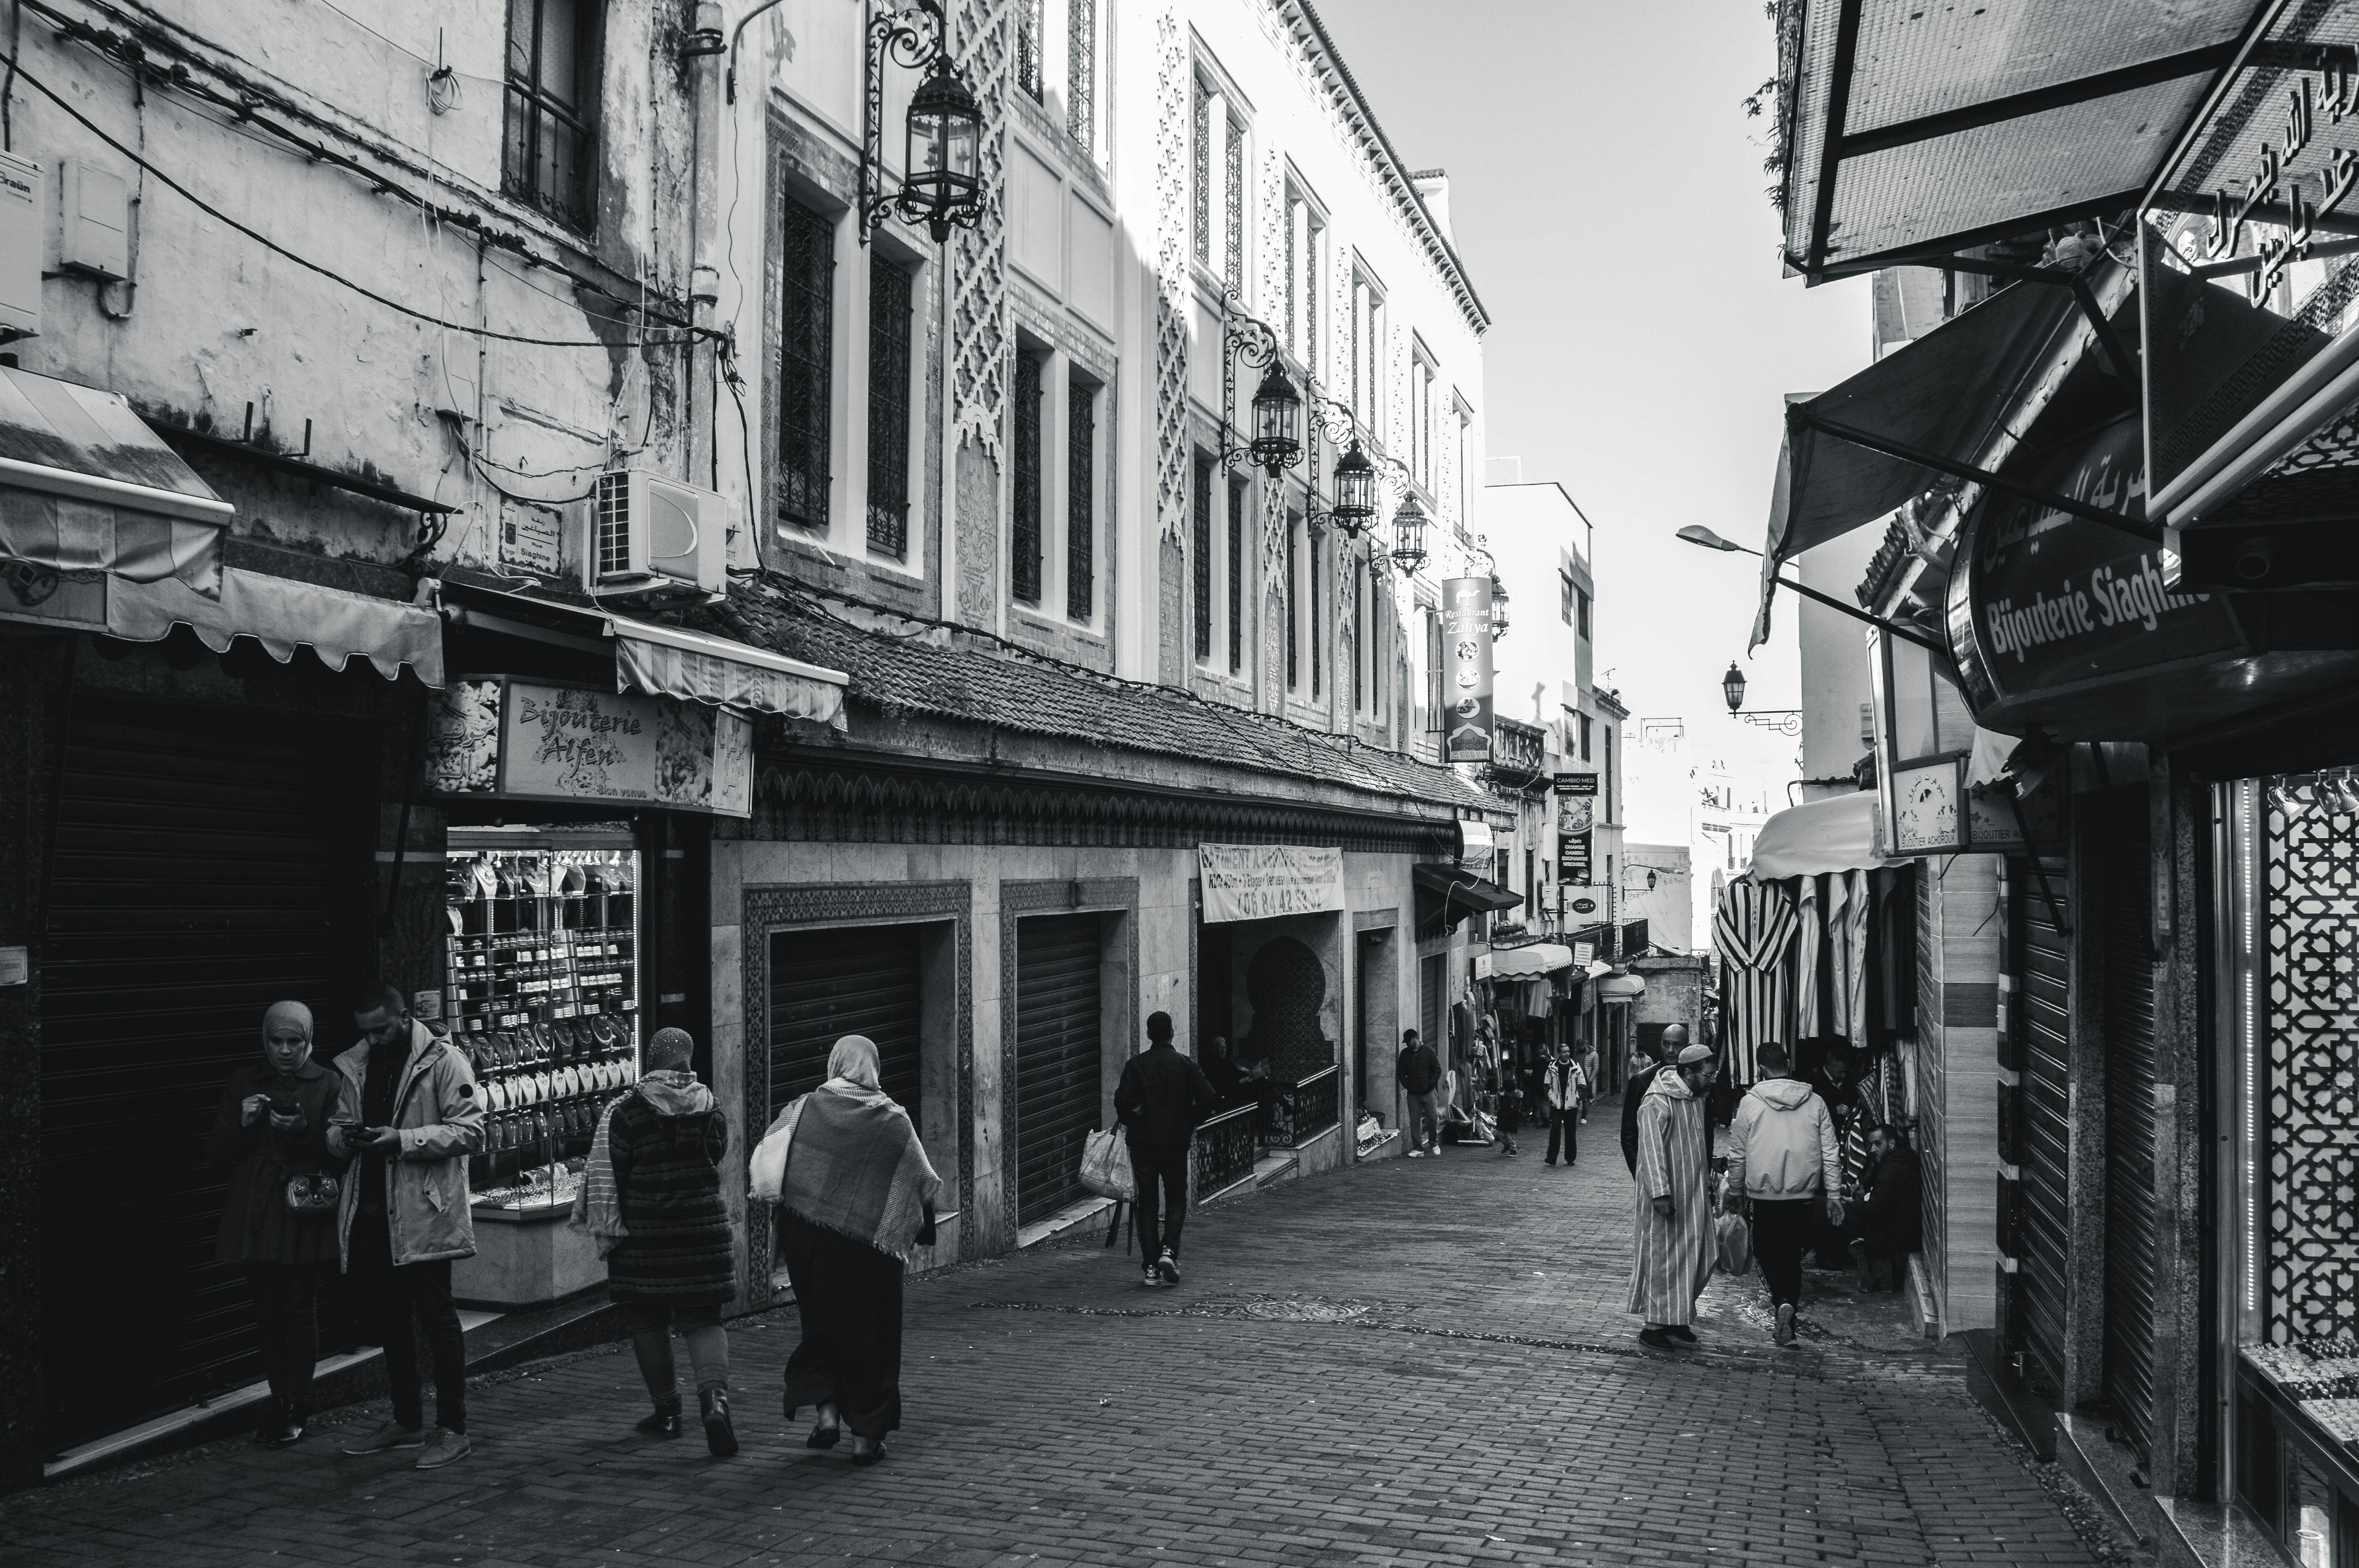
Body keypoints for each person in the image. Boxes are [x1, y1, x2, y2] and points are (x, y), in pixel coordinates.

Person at [750, 1036, 940, 1467]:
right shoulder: (893, 1119)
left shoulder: (802, 1109)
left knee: (821, 1327)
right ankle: (864, 1439)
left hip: (810, 1243)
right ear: (874, 1067)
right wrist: (916, 1230)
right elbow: (920, 1178)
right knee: (872, 1337)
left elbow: (767, 1164)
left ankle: (828, 1413)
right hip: (870, 1250)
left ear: (835, 1064)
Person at [330, 982, 483, 1470]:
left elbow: (471, 1130)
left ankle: (453, 1428)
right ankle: (407, 1419)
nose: (373, 1039)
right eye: (366, 1032)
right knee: (391, 1320)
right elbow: (338, 1126)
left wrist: (404, 1139)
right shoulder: (353, 1062)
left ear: (402, 1018)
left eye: (381, 1029)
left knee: (438, 1320)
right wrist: (342, 1138)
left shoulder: (443, 1061)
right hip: (373, 1209)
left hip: (425, 1212)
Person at [577, 1027, 738, 1454]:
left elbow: (615, 1170)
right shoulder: (711, 1107)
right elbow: (718, 1154)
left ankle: (667, 1413)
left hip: (646, 1236)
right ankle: (715, 1402)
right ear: (688, 1058)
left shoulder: (628, 1111)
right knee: (704, 1319)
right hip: (704, 1232)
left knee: (648, 1320)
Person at [205, 1000, 348, 1448]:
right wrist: (246, 1124)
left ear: (310, 1041)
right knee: (267, 1311)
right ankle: (278, 1398)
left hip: (305, 1207)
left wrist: (306, 1129)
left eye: (295, 1042)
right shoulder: (245, 1082)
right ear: (264, 1041)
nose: (285, 1051)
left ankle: (299, 1404)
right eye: (276, 1042)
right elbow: (216, 1155)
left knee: (298, 1306)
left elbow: (341, 1153)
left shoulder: (328, 1082)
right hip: (257, 1208)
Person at [1721, 1041, 1843, 1347]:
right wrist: (1836, 1195)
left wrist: (1734, 1190)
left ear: (1761, 1068)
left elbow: (1737, 1155)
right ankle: (1787, 1307)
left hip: (1764, 1197)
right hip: (1803, 1197)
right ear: (1788, 1065)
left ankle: (1783, 1304)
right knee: (1792, 1257)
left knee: (1766, 1252)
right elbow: (1831, 1152)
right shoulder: (1815, 1102)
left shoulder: (1750, 1104)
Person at [1113, 1011, 1221, 1285]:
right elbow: (1209, 1096)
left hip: (1143, 1145)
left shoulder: (1136, 1065)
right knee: (1176, 1199)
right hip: (1175, 1143)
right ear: (1172, 1033)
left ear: (1149, 1035)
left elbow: (1121, 1102)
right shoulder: (1186, 1065)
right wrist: (1191, 1121)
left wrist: (1133, 1118)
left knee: (1147, 1205)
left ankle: (1151, 1267)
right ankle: (1169, 1250)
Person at [1628, 1042, 1717, 1350]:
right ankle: (1653, 1327)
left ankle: (1677, 1318)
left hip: (1694, 1195)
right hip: (1666, 1198)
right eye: (1707, 1074)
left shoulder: (1695, 1097)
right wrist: (1660, 1194)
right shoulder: (1657, 1100)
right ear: (1689, 1072)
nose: (1712, 1080)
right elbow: (1650, 1151)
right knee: (1662, 1261)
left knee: (1699, 1254)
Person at [1849, 1123, 1923, 1292]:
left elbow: (1875, 1210)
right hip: (1892, 1228)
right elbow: (1884, 1200)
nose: (1873, 1149)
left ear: (1891, 1144)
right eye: (1871, 1145)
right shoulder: (1894, 1164)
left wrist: (1852, 1204)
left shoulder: (1894, 1167)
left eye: (1878, 1144)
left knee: (1823, 1209)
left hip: (1894, 1234)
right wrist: (1864, 1195)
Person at [1620, 1023, 1688, 1175]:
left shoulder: (1693, 1080)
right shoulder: (1642, 1081)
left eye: (1677, 1045)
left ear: (1686, 1047)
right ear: (1661, 1046)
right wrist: (1640, 1174)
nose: (1671, 1051)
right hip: (1652, 1169)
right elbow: (1628, 1134)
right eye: (1666, 1044)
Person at [1396, 1029, 1444, 1157]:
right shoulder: (1405, 1054)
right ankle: (1418, 1148)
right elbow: (1400, 1072)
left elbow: (1437, 1070)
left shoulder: (1429, 1052)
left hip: (1428, 1092)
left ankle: (1434, 1143)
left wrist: (1430, 1084)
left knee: (1433, 1118)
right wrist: (1407, 1085)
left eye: (1408, 1041)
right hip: (1413, 1093)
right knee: (1415, 1120)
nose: (1407, 1044)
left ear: (1415, 1039)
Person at [1540, 1044, 1586, 1167]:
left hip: (1571, 1105)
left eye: (1568, 1051)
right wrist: (1551, 1097)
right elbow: (1546, 1084)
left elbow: (1582, 1084)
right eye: (1564, 1052)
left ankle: (1570, 1158)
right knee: (1555, 1130)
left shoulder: (1576, 1067)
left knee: (1571, 1132)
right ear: (1559, 1054)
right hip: (1557, 1105)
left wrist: (1577, 1098)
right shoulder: (1552, 1067)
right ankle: (1552, 1157)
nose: (1567, 1054)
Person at [1202, 1034, 1244, 1107]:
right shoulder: (1212, 1065)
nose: (1224, 1051)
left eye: (1225, 1048)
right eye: (1221, 1048)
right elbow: (1221, 1085)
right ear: (1214, 1049)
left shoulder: (1227, 1062)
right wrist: (1240, 1082)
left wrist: (1249, 1075)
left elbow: (1236, 1073)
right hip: (1225, 1098)